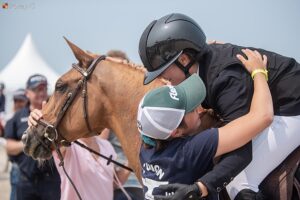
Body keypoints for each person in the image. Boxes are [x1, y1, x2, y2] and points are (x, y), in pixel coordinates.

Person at [138, 13, 300, 199]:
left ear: (184, 60)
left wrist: (202, 186)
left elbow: (243, 150)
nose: (162, 79)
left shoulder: (225, 79)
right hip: (274, 101)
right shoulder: (200, 69)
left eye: (164, 72)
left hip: (292, 106)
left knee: (238, 182)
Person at [138, 49, 272, 200]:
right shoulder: (191, 150)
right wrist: (259, 72)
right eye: (191, 108)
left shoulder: (146, 149)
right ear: (176, 132)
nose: (198, 107)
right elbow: (263, 116)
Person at [29, 106, 132, 200]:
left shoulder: (107, 146)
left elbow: (113, 182)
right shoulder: (69, 146)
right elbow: (50, 138)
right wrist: (37, 120)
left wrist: (131, 163)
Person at [4, 74, 61, 200]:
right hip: (25, 180)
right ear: (27, 93)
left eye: (44, 89)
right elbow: (9, 147)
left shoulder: (54, 116)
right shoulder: (17, 117)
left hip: (50, 180)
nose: (42, 93)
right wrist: (30, 142)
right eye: (37, 89)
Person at [102, 50, 143, 200]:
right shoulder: (104, 105)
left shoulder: (139, 101)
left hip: (139, 181)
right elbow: (99, 144)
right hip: (115, 181)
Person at [4, 88, 28, 200]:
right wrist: (29, 144)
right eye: (16, 100)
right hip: (18, 167)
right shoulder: (11, 118)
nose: (18, 103)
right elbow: (9, 146)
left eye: (21, 100)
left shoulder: (34, 115)